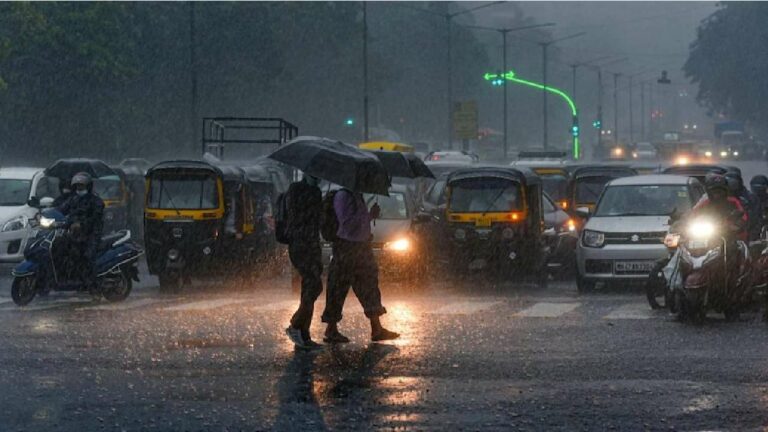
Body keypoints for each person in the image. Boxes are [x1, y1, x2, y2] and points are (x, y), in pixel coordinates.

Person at [322, 188, 399, 343]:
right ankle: (331, 329)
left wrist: (370, 216)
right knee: (338, 287)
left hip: (361, 247)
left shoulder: (357, 195)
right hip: (347, 247)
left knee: (369, 286)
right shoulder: (343, 196)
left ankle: (376, 328)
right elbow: (346, 223)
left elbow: (357, 222)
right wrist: (366, 217)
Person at [283, 174, 324, 349]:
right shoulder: (299, 190)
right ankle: (295, 325)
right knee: (314, 285)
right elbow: (302, 216)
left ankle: (304, 333)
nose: (318, 178)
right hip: (301, 244)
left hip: (310, 243)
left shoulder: (313, 191)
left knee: (310, 286)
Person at [59, 172, 105, 294]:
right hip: (74, 233)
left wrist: (82, 224)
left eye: (82, 186)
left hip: (91, 234)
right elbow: (61, 210)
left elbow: (95, 218)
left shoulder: (95, 201)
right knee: (62, 250)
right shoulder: (73, 199)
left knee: (87, 257)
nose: (80, 189)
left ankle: (94, 287)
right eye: (78, 186)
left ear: (88, 187)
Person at [725, 171, 760, 240]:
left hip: (743, 233)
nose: (731, 186)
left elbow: (755, 218)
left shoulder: (749, 198)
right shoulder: (718, 197)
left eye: (733, 184)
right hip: (720, 231)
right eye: (727, 183)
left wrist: (752, 236)